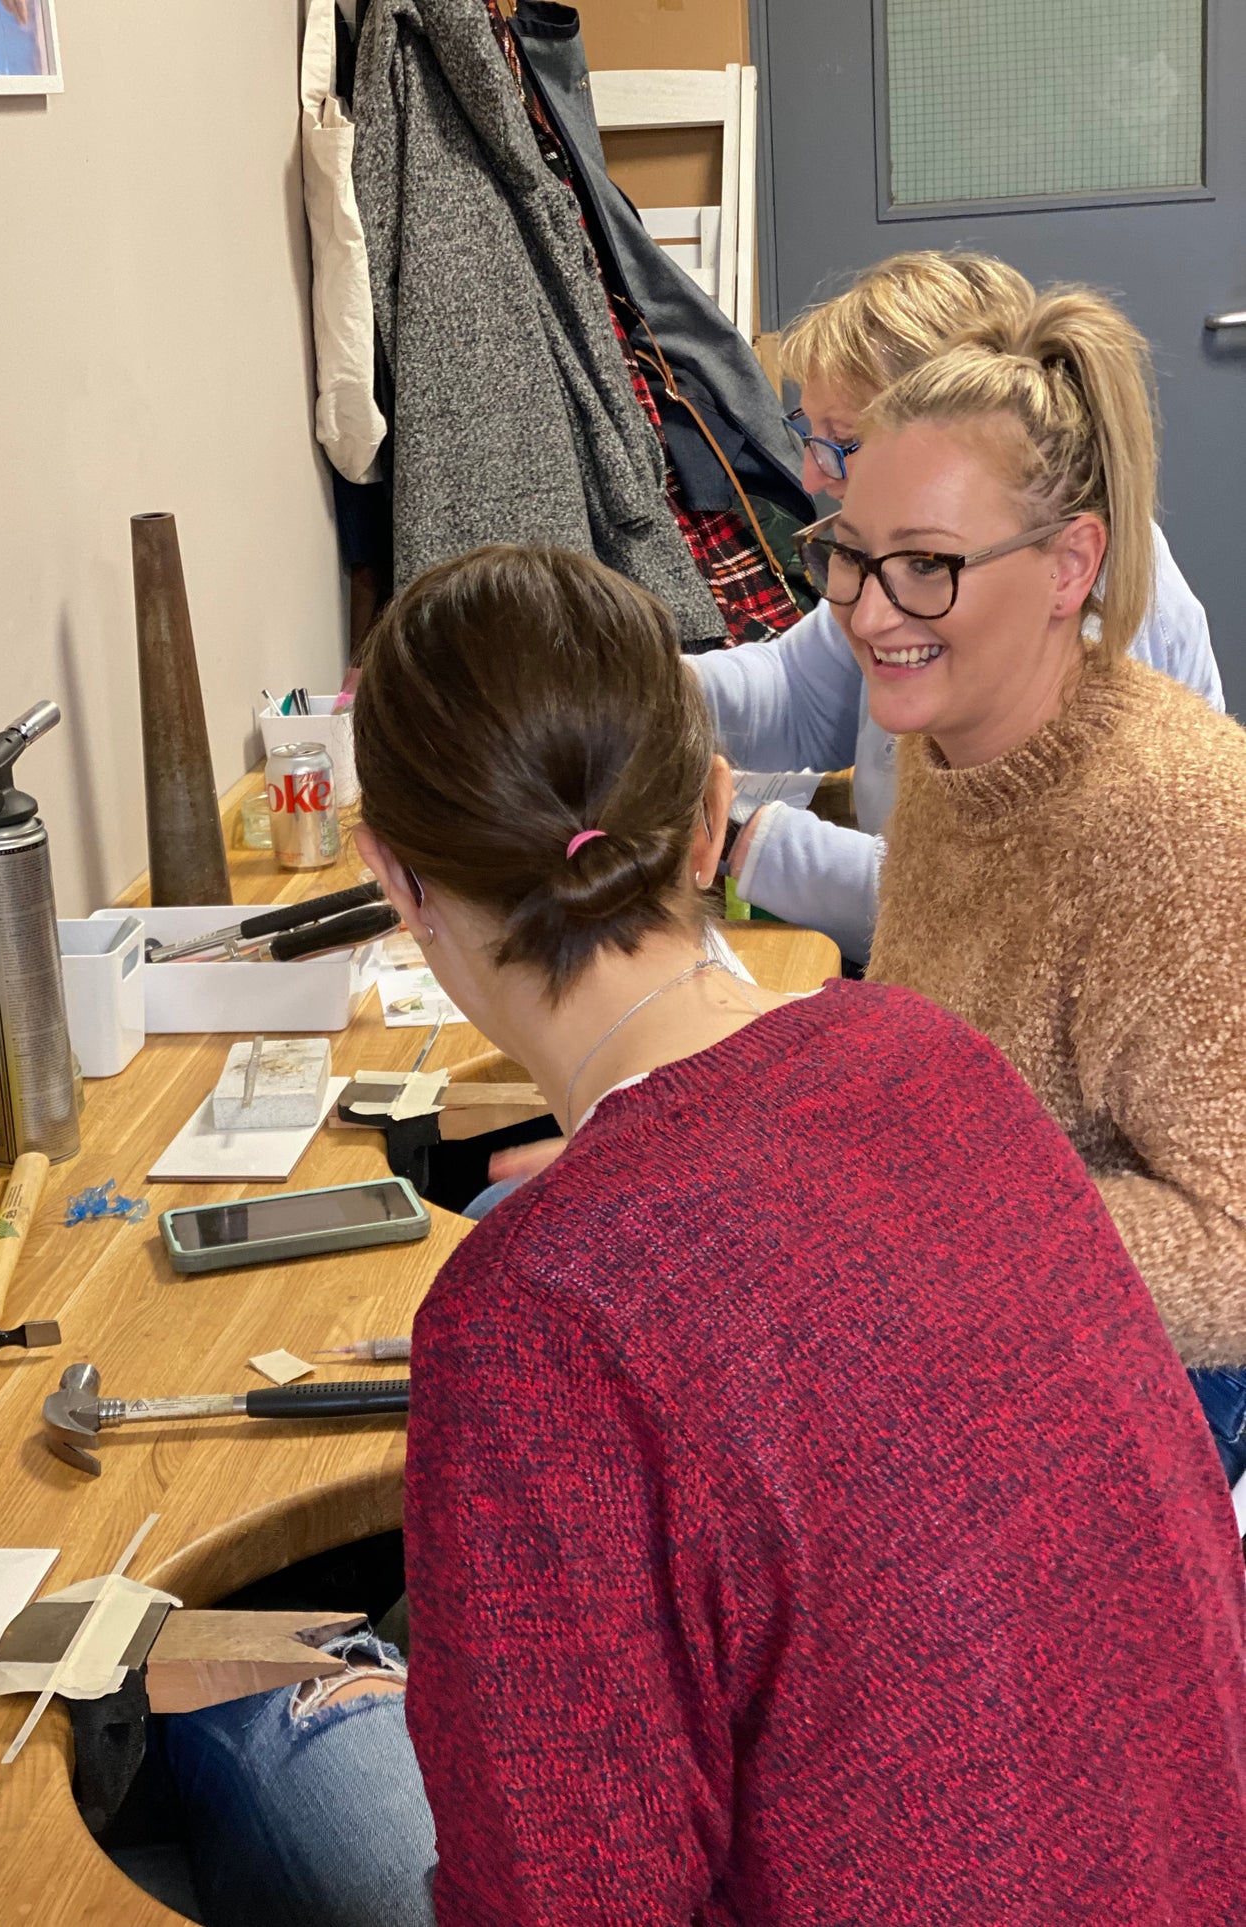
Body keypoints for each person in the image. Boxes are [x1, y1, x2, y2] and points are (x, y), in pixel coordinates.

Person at [163, 545, 1246, 1926]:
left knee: (263, 1732)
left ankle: (336, 1694)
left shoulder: (531, 1317)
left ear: (397, 879)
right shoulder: (929, 1055)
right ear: (711, 812)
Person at [804, 287, 1246, 1477]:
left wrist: (914, 1230)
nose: (868, 611)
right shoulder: (942, 743)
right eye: (848, 556)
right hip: (974, 1288)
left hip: (1149, 1381)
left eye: (927, 567)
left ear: (1068, 567)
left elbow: (1231, 1252)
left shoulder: (1173, 815)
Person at [690, 251, 1223, 965]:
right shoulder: (899, 581)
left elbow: (992, 905)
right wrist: (641, 690)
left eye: (842, 441)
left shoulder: (1074, 627)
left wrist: (735, 836)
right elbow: (799, 693)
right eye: (808, 431)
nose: (811, 471)